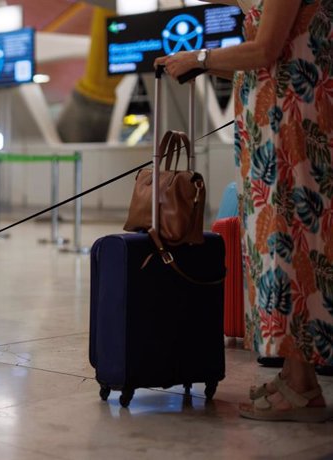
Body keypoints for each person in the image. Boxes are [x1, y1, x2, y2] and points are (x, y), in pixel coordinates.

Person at [156, 0, 332, 422]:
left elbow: (265, 50)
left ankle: (304, 387)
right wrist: (193, 64)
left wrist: (199, 57)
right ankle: (294, 373)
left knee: (291, 245)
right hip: (269, 124)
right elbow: (262, 54)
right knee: (278, 249)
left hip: (290, 123)